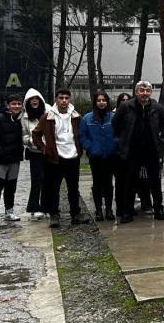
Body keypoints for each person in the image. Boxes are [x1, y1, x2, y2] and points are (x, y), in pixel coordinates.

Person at [112, 81, 164, 224]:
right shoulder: (126, 106)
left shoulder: (157, 107)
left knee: (155, 181)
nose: (145, 93)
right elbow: (116, 123)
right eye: (142, 90)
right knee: (130, 181)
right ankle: (127, 211)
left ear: (151, 92)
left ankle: (159, 209)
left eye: (148, 90)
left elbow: (161, 126)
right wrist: (123, 140)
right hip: (132, 150)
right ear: (136, 91)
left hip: (152, 150)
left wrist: (161, 142)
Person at [32, 88, 84, 227]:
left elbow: (82, 134)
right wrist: (44, 149)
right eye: (61, 98)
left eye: (67, 98)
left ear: (70, 100)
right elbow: (35, 134)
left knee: (73, 188)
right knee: (53, 188)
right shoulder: (48, 117)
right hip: (55, 159)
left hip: (73, 157)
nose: (64, 101)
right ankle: (54, 215)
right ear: (56, 99)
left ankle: (76, 214)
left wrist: (80, 149)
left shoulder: (76, 116)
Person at [0, 94, 25, 224]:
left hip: (14, 160)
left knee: (11, 188)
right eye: (14, 104)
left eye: (19, 104)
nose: (16, 106)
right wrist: (0, 153)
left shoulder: (22, 120)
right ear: (8, 105)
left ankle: (9, 211)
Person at [79, 91, 118, 221]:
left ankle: (108, 209)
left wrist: (115, 143)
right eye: (99, 100)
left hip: (110, 155)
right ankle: (98, 210)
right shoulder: (87, 118)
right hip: (95, 156)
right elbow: (82, 136)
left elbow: (119, 133)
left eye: (104, 100)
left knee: (108, 183)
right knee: (97, 183)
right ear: (95, 102)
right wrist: (90, 147)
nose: (101, 103)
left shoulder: (113, 117)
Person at [20, 88, 50, 221]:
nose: (34, 101)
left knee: (48, 180)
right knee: (37, 180)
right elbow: (23, 136)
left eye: (36, 99)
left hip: (49, 151)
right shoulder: (25, 117)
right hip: (35, 152)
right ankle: (34, 208)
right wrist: (33, 141)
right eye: (32, 99)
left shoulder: (49, 112)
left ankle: (47, 207)